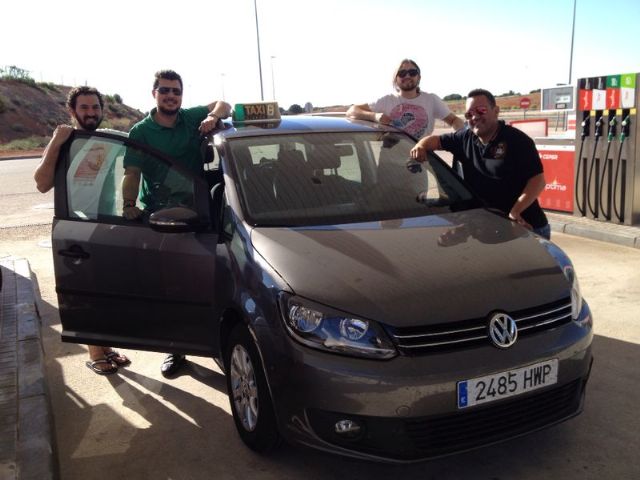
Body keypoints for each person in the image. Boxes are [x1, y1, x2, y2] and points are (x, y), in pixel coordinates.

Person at [121, 69, 231, 378]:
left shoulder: (190, 117)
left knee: (207, 280)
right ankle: (176, 348)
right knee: (170, 287)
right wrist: (129, 205)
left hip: (200, 212)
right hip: (163, 217)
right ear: (154, 94)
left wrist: (213, 117)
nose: (171, 96)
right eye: (165, 90)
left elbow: (224, 104)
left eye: (176, 91)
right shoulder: (141, 131)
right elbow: (132, 173)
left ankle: (214, 340)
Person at [34, 86, 131, 375]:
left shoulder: (109, 139)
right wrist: (55, 141)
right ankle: (95, 351)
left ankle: (107, 347)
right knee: (86, 292)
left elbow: (144, 144)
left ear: (102, 110)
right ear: (72, 110)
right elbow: (42, 183)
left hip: (105, 226)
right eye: (84, 108)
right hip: (76, 228)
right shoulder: (65, 142)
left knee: (105, 291)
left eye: (95, 107)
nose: (90, 113)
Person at [410, 88, 551, 239]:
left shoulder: (517, 140)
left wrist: (516, 211)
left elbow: (538, 181)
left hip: (524, 227)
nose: (475, 117)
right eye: (469, 114)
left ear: (496, 111)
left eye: (481, 110)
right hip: (487, 229)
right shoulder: (464, 138)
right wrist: (420, 146)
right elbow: (435, 141)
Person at [346, 58, 464, 138]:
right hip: (388, 162)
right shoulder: (386, 100)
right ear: (396, 79)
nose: (407, 76)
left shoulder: (432, 100)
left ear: (419, 77)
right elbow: (352, 110)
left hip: (421, 162)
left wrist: (462, 139)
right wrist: (374, 116)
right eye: (402, 73)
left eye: (412, 72)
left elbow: (454, 120)